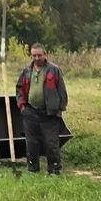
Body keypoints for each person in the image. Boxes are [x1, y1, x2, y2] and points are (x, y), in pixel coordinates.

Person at [15, 44, 69, 175]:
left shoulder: (54, 70)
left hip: (49, 114)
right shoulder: (27, 71)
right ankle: (33, 169)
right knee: (31, 144)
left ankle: (54, 170)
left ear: (45, 55)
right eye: (34, 55)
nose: (36, 58)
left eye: (39, 55)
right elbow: (19, 89)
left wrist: (60, 109)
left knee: (51, 144)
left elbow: (62, 90)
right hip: (30, 112)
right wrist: (22, 106)